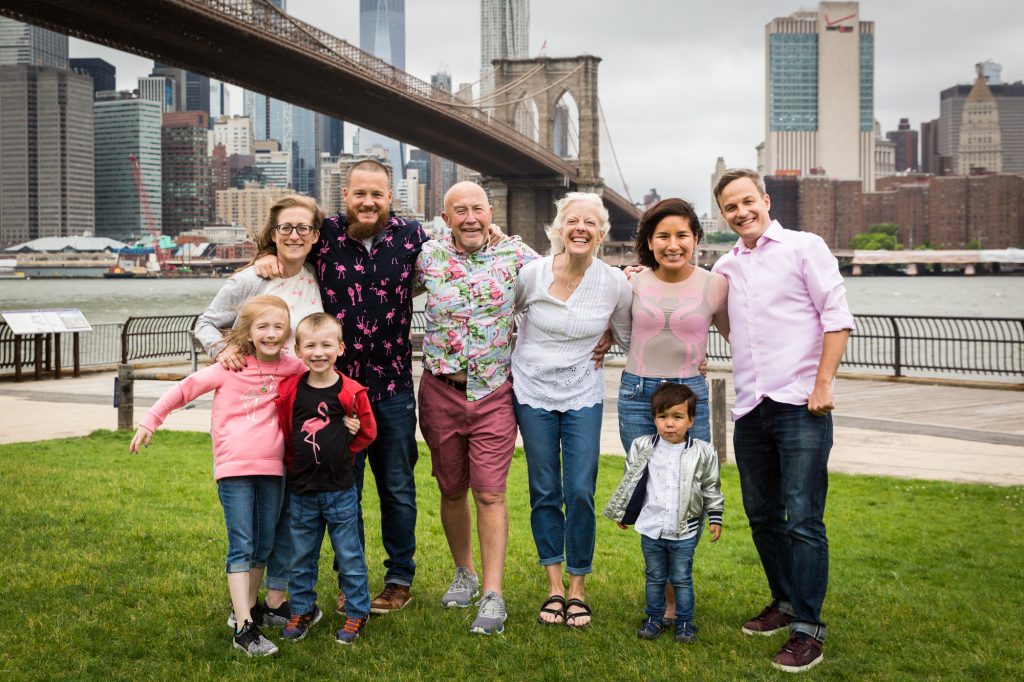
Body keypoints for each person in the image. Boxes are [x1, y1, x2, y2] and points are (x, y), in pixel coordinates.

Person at [256, 159, 427, 615]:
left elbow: (463, 257)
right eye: (359, 194)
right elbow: (287, 245)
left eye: (377, 194)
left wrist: (498, 240)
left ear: (391, 197)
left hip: (390, 390)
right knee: (340, 490)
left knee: (396, 488)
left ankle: (397, 580)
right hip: (334, 392)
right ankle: (348, 580)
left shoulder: (413, 238)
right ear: (345, 196)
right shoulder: (324, 234)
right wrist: (265, 256)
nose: (368, 202)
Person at [711, 168, 853, 673]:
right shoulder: (725, 266)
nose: (741, 212)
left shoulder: (804, 247)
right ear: (723, 215)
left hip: (801, 405)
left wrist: (823, 384)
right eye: (731, 207)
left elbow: (836, 317)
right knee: (762, 515)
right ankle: (785, 601)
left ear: (765, 200)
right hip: (751, 408)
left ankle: (808, 630)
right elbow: (725, 324)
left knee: (803, 519)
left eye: (748, 201)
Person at [129, 295, 306, 657]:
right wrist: (151, 420)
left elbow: (326, 381)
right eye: (263, 327)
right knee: (242, 544)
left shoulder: (293, 366)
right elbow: (183, 390)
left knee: (264, 544)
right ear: (248, 332)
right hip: (234, 469)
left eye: (278, 326)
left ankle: (247, 609)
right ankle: (244, 628)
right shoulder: (229, 367)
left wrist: (351, 416)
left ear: (287, 330)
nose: (271, 333)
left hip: (274, 468)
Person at [194, 194, 325, 629]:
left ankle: (274, 602)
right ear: (272, 234)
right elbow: (205, 322)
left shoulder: (315, 274)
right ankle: (244, 612)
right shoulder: (252, 278)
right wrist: (223, 352)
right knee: (256, 521)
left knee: (291, 515)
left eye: (302, 228)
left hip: (304, 409)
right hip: (260, 414)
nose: (294, 235)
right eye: (285, 228)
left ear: (314, 236)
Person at [415, 181, 537, 635]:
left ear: (490, 213)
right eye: (459, 210)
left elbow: (569, 283)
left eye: (477, 209)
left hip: (493, 392)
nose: (470, 218)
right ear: (445, 218)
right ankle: (463, 571)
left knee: (489, 492)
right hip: (440, 391)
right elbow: (378, 289)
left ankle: (493, 593)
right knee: (451, 489)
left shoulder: (518, 257)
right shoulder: (426, 258)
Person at [511, 192, 632, 629]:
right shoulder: (532, 274)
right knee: (544, 489)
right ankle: (554, 587)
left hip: (583, 392)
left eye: (590, 223)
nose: (580, 228)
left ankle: (579, 588)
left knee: (580, 489)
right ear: (559, 229)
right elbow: (505, 315)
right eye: (572, 221)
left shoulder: (616, 282)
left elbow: (627, 334)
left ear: (601, 233)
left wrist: (607, 340)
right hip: (531, 391)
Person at [618, 197, 728, 624]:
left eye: (682, 234)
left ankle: (676, 579)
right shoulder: (632, 282)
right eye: (662, 235)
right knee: (649, 489)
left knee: (689, 490)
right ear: (650, 241)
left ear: (696, 239)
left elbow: (743, 334)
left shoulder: (714, 285)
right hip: (637, 395)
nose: (673, 243)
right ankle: (662, 587)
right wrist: (605, 341)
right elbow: (608, 320)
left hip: (689, 395)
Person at [274, 313, 377, 644]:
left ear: (341, 348)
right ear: (298, 350)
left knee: (349, 555)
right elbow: (287, 433)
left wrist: (352, 440)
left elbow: (368, 433)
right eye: (311, 346)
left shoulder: (351, 392)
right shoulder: (290, 391)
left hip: (340, 490)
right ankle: (302, 609)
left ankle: (357, 612)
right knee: (301, 556)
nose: (319, 353)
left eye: (326, 345)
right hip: (302, 490)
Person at [603, 383, 723, 644]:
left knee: (681, 578)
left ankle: (684, 623)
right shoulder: (642, 446)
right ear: (654, 418)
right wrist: (625, 512)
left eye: (677, 417)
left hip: (684, 531)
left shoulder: (703, 452)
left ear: (691, 420)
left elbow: (711, 486)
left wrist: (715, 516)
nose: (670, 424)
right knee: (654, 577)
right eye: (662, 417)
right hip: (651, 527)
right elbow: (631, 481)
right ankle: (654, 618)